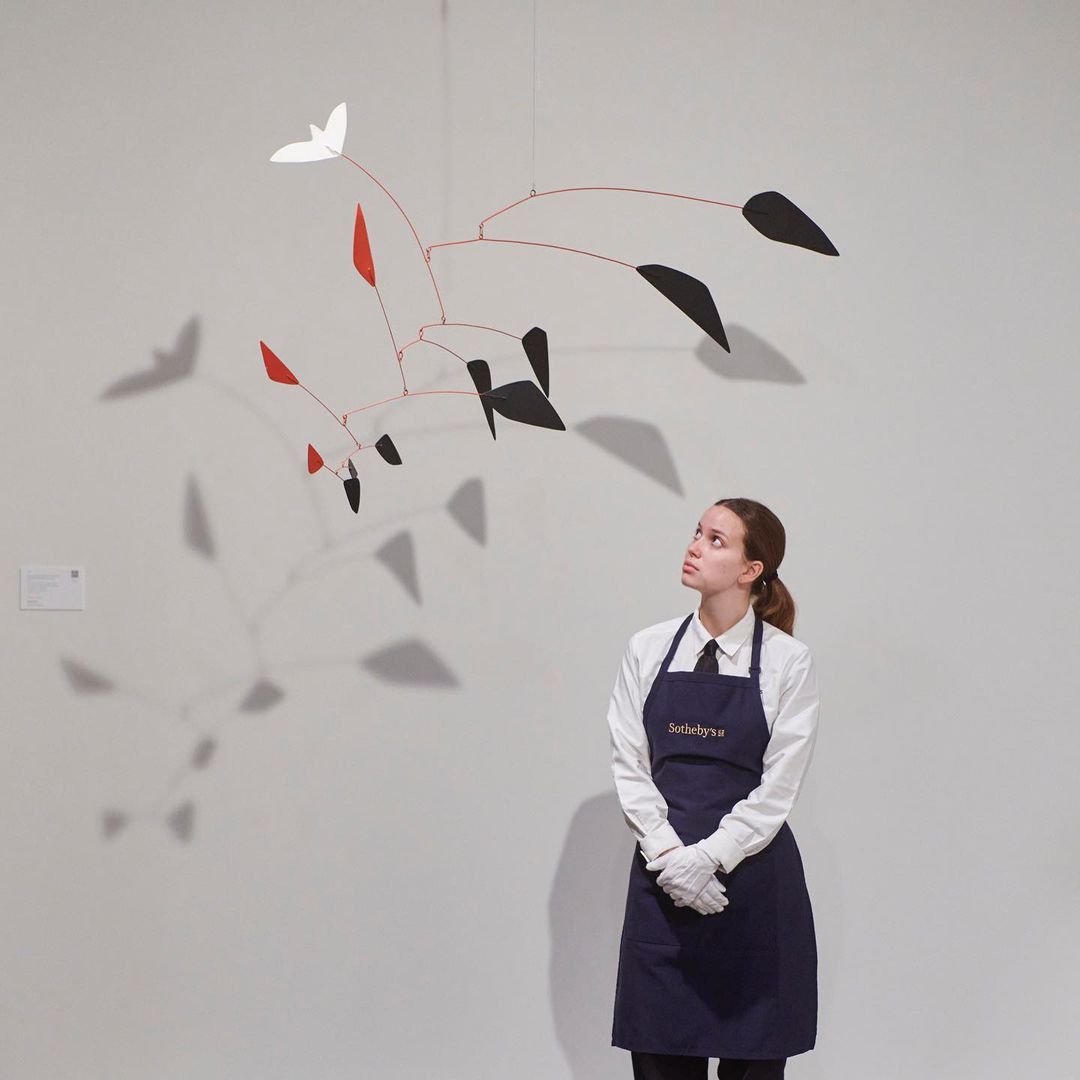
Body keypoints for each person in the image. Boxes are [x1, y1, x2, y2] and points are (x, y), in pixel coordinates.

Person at [607, 498, 820, 1080]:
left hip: (752, 888)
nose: (694, 546)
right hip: (662, 887)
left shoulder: (788, 662)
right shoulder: (646, 648)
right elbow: (629, 764)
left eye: (716, 540)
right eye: (697, 533)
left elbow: (780, 786)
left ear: (752, 569)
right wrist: (671, 857)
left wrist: (709, 859)